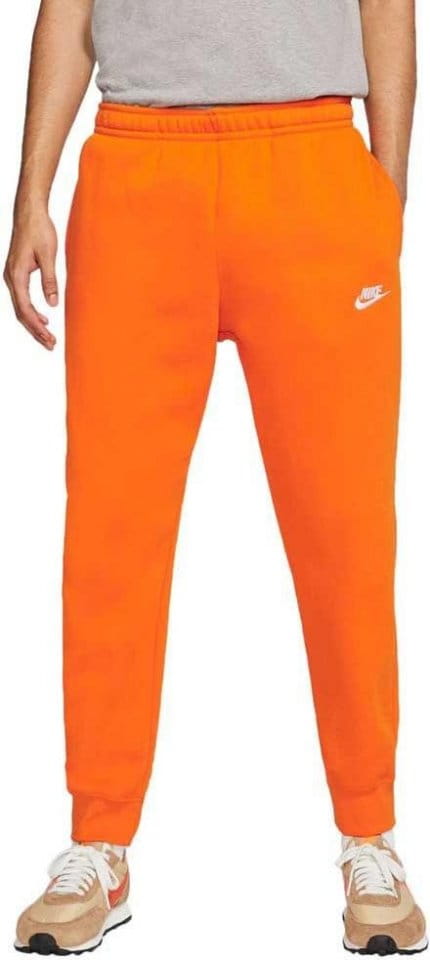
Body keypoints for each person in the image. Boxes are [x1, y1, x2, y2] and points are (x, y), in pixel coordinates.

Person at [4, 0, 426, 955]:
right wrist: (31, 192)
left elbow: (386, 5)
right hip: (136, 165)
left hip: (313, 161)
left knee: (346, 532)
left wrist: (387, 188)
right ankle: (98, 842)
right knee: (110, 536)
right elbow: (67, 11)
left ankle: (371, 833)